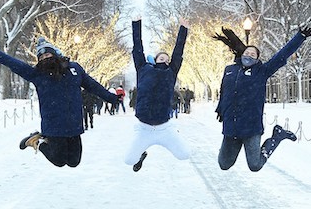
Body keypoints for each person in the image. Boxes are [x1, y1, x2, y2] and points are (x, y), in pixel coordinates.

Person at [0, 37, 119, 167]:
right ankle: (38, 141)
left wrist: (111, 98)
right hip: (53, 125)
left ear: (55, 55)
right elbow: (13, 63)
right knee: (59, 161)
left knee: (74, 162)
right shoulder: (37, 75)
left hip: (74, 124)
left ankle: (42, 140)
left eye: (48, 55)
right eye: (41, 57)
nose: (45, 59)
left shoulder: (74, 69)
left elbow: (93, 86)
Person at [214, 24, 311, 172]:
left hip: (251, 127)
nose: (249, 55)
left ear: (258, 59)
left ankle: (277, 136)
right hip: (231, 127)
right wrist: (221, 109)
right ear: (241, 54)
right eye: (247, 52)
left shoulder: (262, 71)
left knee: (255, 165)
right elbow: (224, 91)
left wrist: (300, 37)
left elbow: (282, 55)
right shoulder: (230, 70)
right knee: (224, 164)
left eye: (254, 54)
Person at [124, 16, 190, 172]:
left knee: (184, 155)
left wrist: (183, 30)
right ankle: (141, 154)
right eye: (162, 58)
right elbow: (137, 48)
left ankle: (174, 133)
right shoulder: (143, 68)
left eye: (167, 59)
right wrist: (136, 25)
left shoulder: (171, 72)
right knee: (128, 160)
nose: (165, 60)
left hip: (164, 127)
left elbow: (178, 51)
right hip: (144, 127)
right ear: (154, 59)